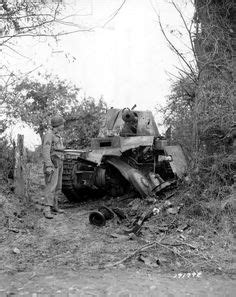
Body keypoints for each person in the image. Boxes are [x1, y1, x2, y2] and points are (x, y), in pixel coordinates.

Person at [42, 115, 65, 219]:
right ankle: (47, 209)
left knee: (58, 186)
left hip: (59, 161)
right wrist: (48, 165)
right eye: (62, 124)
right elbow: (46, 150)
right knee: (51, 185)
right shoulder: (49, 134)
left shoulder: (57, 135)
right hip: (52, 163)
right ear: (57, 125)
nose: (63, 125)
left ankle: (55, 206)